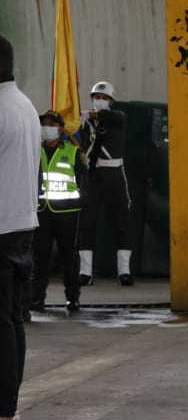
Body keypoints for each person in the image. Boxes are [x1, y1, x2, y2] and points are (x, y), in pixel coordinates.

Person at [0, 34, 40, 420]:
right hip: (20, 227)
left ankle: (5, 414)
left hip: (1, 231)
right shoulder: (24, 105)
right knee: (11, 322)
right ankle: (8, 409)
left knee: (3, 325)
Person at [78, 80, 133, 286]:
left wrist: (90, 115)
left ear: (111, 101)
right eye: (97, 97)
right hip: (93, 174)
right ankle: (85, 272)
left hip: (114, 174)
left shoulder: (118, 117)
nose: (100, 101)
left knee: (121, 222)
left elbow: (111, 118)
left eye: (105, 98)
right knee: (87, 223)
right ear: (92, 98)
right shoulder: (86, 122)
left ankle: (124, 271)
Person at [29, 110, 84, 313]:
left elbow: (83, 182)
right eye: (44, 124)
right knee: (40, 257)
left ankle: (72, 298)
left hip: (67, 212)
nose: (47, 128)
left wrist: (80, 202)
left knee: (68, 256)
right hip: (41, 211)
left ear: (61, 128)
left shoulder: (72, 152)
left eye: (52, 124)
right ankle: (36, 299)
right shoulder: (34, 151)